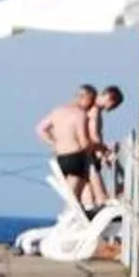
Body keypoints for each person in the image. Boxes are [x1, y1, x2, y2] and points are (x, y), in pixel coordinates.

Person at [37, 84, 101, 213]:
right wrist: (99, 148)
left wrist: (54, 143)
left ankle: (77, 214)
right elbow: (83, 142)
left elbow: (40, 129)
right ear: (85, 97)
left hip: (60, 158)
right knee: (73, 197)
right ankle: (70, 218)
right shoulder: (80, 114)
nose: (91, 105)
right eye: (91, 100)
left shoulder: (57, 111)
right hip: (76, 157)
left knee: (72, 194)